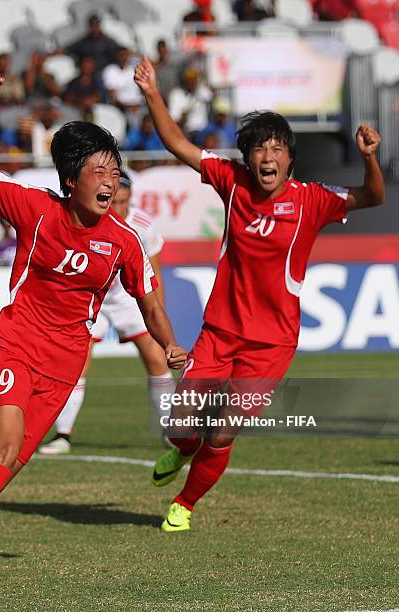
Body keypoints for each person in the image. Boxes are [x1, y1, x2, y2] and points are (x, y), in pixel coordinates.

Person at [0, 71, 187, 584]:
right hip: (14, 341)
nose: (111, 181)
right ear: (72, 180)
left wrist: (169, 344)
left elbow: (150, 301)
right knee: (3, 447)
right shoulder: (33, 207)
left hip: (63, 362)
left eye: (115, 172)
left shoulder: (125, 240)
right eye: (99, 172)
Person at [134, 56, 384, 532]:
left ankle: (184, 504)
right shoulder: (232, 182)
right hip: (220, 333)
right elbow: (178, 144)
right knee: (179, 426)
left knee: (224, 427)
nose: (267, 157)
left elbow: (373, 197)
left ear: (290, 156)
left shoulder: (312, 200)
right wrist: (151, 93)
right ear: (248, 156)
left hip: (271, 344)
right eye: (259, 149)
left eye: (276, 148)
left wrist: (370, 157)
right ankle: (182, 449)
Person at [39, 171, 175, 455]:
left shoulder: (143, 226)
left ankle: (170, 431)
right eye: (115, 202)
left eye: (125, 202)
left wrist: (161, 314)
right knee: (78, 363)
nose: (120, 209)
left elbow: (155, 274)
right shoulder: (89, 220)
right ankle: (62, 434)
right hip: (93, 298)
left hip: (129, 299)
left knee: (156, 358)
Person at [168, 67, 213, 140]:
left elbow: (211, 95)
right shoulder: (176, 94)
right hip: (186, 131)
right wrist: (183, 118)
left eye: (194, 80)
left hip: (202, 131)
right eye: (189, 80)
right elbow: (175, 118)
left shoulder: (201, 92)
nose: (192, 82)